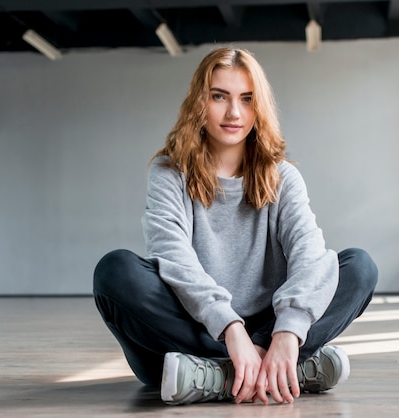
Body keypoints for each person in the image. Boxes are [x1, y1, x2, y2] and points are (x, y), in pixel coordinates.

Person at [93, 47, 378, 406]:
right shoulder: (169, 173)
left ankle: (219, 377)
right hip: (188, 328)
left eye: (247, 99)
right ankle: (280, 372)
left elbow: (310, 254)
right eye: (219, 97)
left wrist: (284, 334)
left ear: (259, 107)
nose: (234, 112)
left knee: (358, 267)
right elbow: (172, 255)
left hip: (262, 329)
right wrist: (230, 330)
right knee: (115, 271)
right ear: (200, 102)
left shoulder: (283, 178)